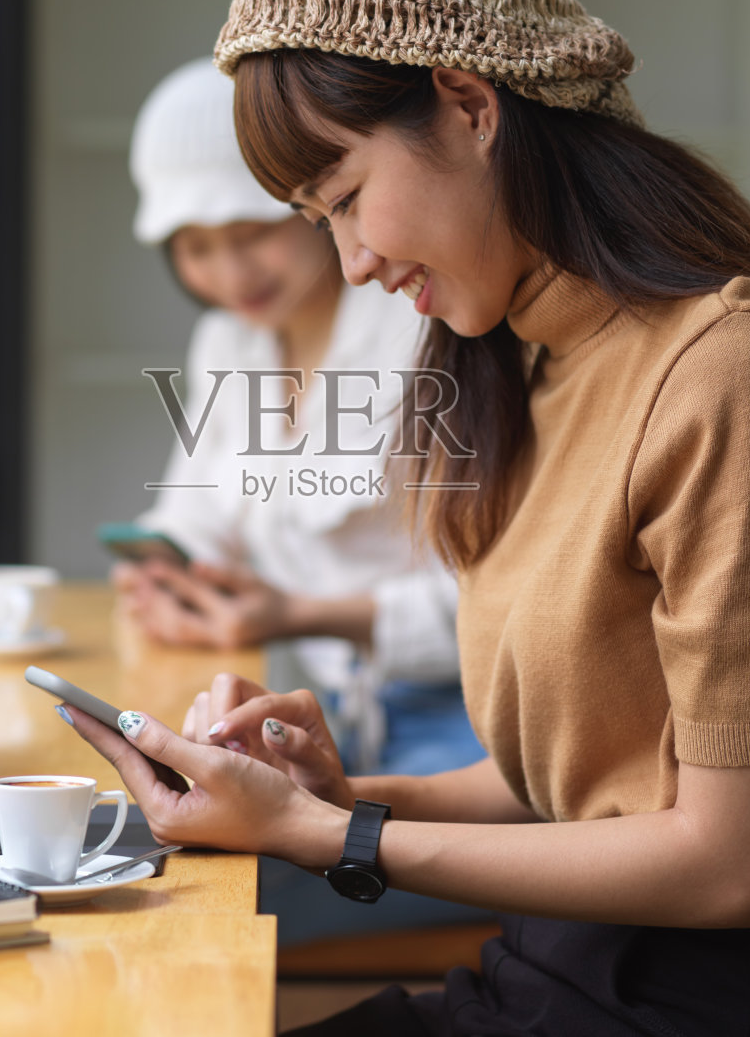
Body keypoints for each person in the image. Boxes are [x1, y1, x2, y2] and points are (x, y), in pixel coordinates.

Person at [65, 0, 750, 1035]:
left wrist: (333, 839)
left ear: (468, 103)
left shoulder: (728, 371)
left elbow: (734, 863)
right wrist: (336, 796)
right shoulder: (528, 364)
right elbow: (567, 777)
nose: (349, 262)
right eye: (316, 219)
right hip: (545, 979)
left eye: (345, 198)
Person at [117, 58, 488, 941]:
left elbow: (501, 608)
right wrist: (168, 574)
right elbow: (191, 516)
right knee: (167, 862)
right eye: (195, 246)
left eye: (251, 229)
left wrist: (302, 612)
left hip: (471, 739)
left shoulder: (432, 325)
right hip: (341, 734)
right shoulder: (230, 343)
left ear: (311, 202)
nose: (230, 270)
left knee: (193, 901)